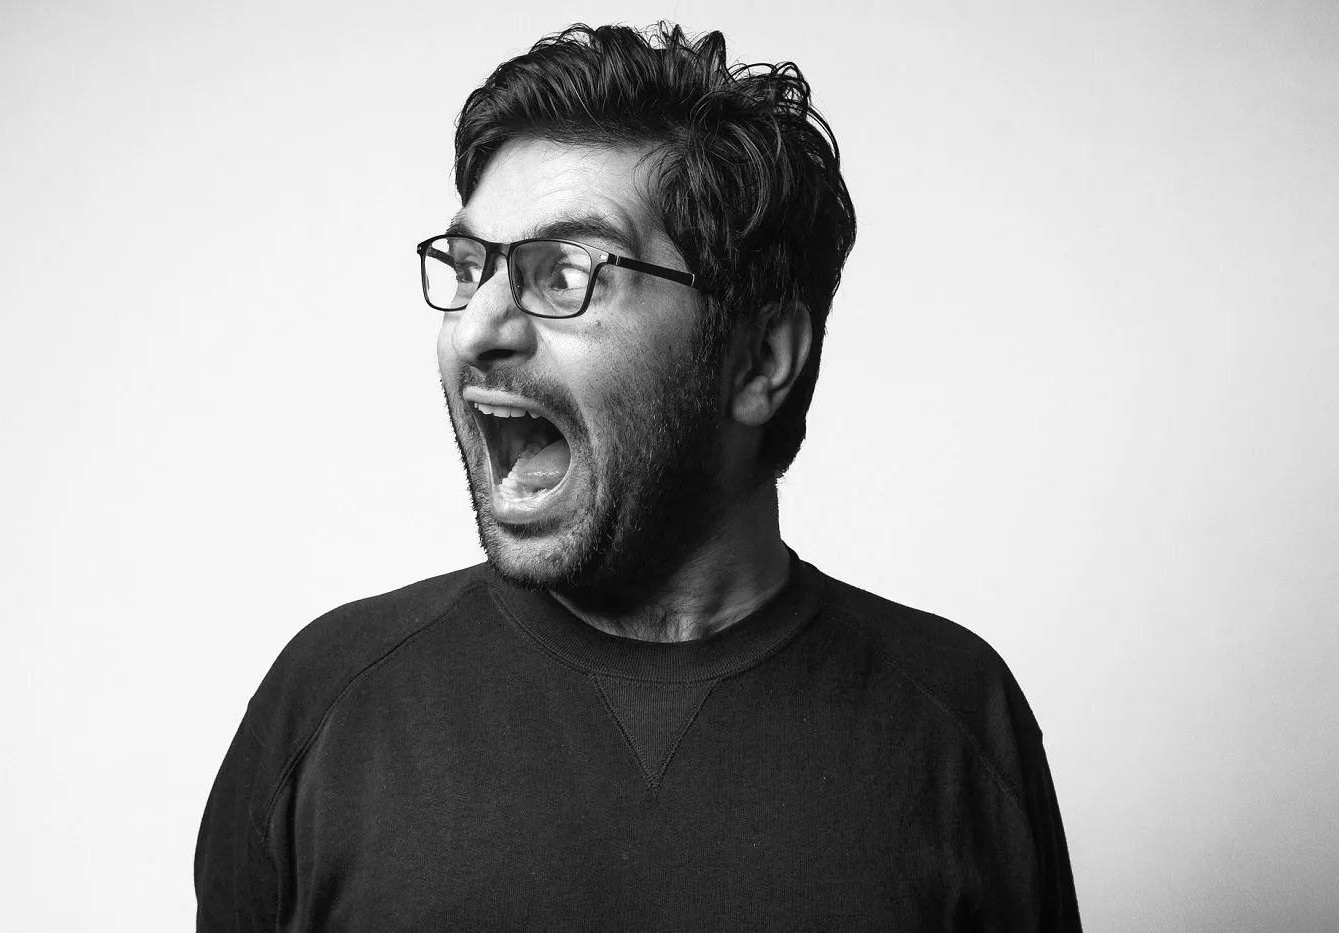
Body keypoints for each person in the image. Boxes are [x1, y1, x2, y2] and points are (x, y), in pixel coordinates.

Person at [195, 22, 1080, 931]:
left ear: (759, 359)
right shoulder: (327, 704)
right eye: (468, 267)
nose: (478, 328)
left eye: (565, 273)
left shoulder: (956, 721)